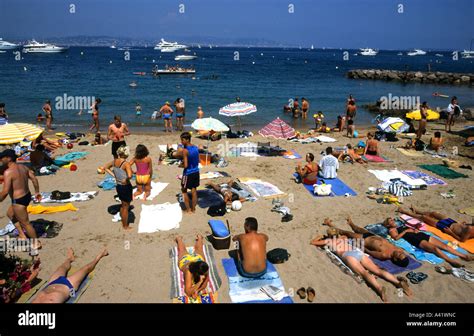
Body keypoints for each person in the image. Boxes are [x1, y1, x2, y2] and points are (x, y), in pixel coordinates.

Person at [310, 227, 411, 302]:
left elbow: (313, 242)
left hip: (348, 256)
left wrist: (321, 237)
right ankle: (397, 282)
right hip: (358, 252)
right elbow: (344, 235)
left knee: (363, 273)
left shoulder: (328, 241)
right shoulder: (344, 238)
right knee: (377, 270)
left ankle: (379, 289)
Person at [383, 217, 473, 267]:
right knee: (435, 249)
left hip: (420, 235)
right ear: (387, 225)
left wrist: (415, 229)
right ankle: (450, 261)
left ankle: (464, 256)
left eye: (392, 219)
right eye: (390, 221)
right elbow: (396, 238)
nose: (393, 220)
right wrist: (406, 231)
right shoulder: (392, 230)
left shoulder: (401, 225)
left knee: (444, 246)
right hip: (415, 240)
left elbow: (411, 230)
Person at [323, 217, 411, 268]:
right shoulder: (399, 250)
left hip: (365, 241)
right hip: (372, 236)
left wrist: (360, 245)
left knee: (347, 233)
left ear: (395, 259)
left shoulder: (384, 255)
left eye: (399, 255)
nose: (399, 252)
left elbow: (370, 252)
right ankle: (351, 224)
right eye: (401, 253)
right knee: (358, 229)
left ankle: (329, 224)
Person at [0, 149, 42, 254]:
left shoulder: (8, 172)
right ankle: (22, 235)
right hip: (26, 196)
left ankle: (36, 243)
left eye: (2, 157)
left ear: (8, 158)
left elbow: (5, 192)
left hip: (18, 200)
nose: (1, 159)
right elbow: (34, 178)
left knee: (26, 223)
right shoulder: (23, 167)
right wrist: (37, 192)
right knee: (10, 214)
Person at [32, 248, 108, 303]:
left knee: (62, 267)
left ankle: (70, 259)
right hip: (69, 286)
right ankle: (100, 256)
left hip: (52, 283)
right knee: (86, 268)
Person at [398, 206, 474, 242]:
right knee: (434, 213)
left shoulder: (470, 229)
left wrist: (450, 233)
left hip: (447, 228)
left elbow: (462, 240)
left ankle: (405, 212)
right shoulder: (471, 226)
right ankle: (417, 211)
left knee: (424, 217)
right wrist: (464, 224)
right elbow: (464, 229)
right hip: (453, 222)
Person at [104, 146, 133, 231]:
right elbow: (130, 175)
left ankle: (123, 222)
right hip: (125, 186)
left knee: (123, 204)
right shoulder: (126, 163)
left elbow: (105, 167)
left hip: (118, 185)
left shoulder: (114, 161)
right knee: (126, 206)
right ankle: (125, 226)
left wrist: (114, 176)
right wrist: (126, 179)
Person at [180, 132, 200, 214]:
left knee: (184, 190)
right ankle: (193, 208)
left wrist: (180, 165)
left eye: (182, 140)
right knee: (194, 190)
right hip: (196, 171)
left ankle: (188, 209)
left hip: (188, 173)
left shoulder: (185, 150)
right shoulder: (195, 148)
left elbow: (185, 165)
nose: (181, 142)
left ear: (187, 140)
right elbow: (198, 160)